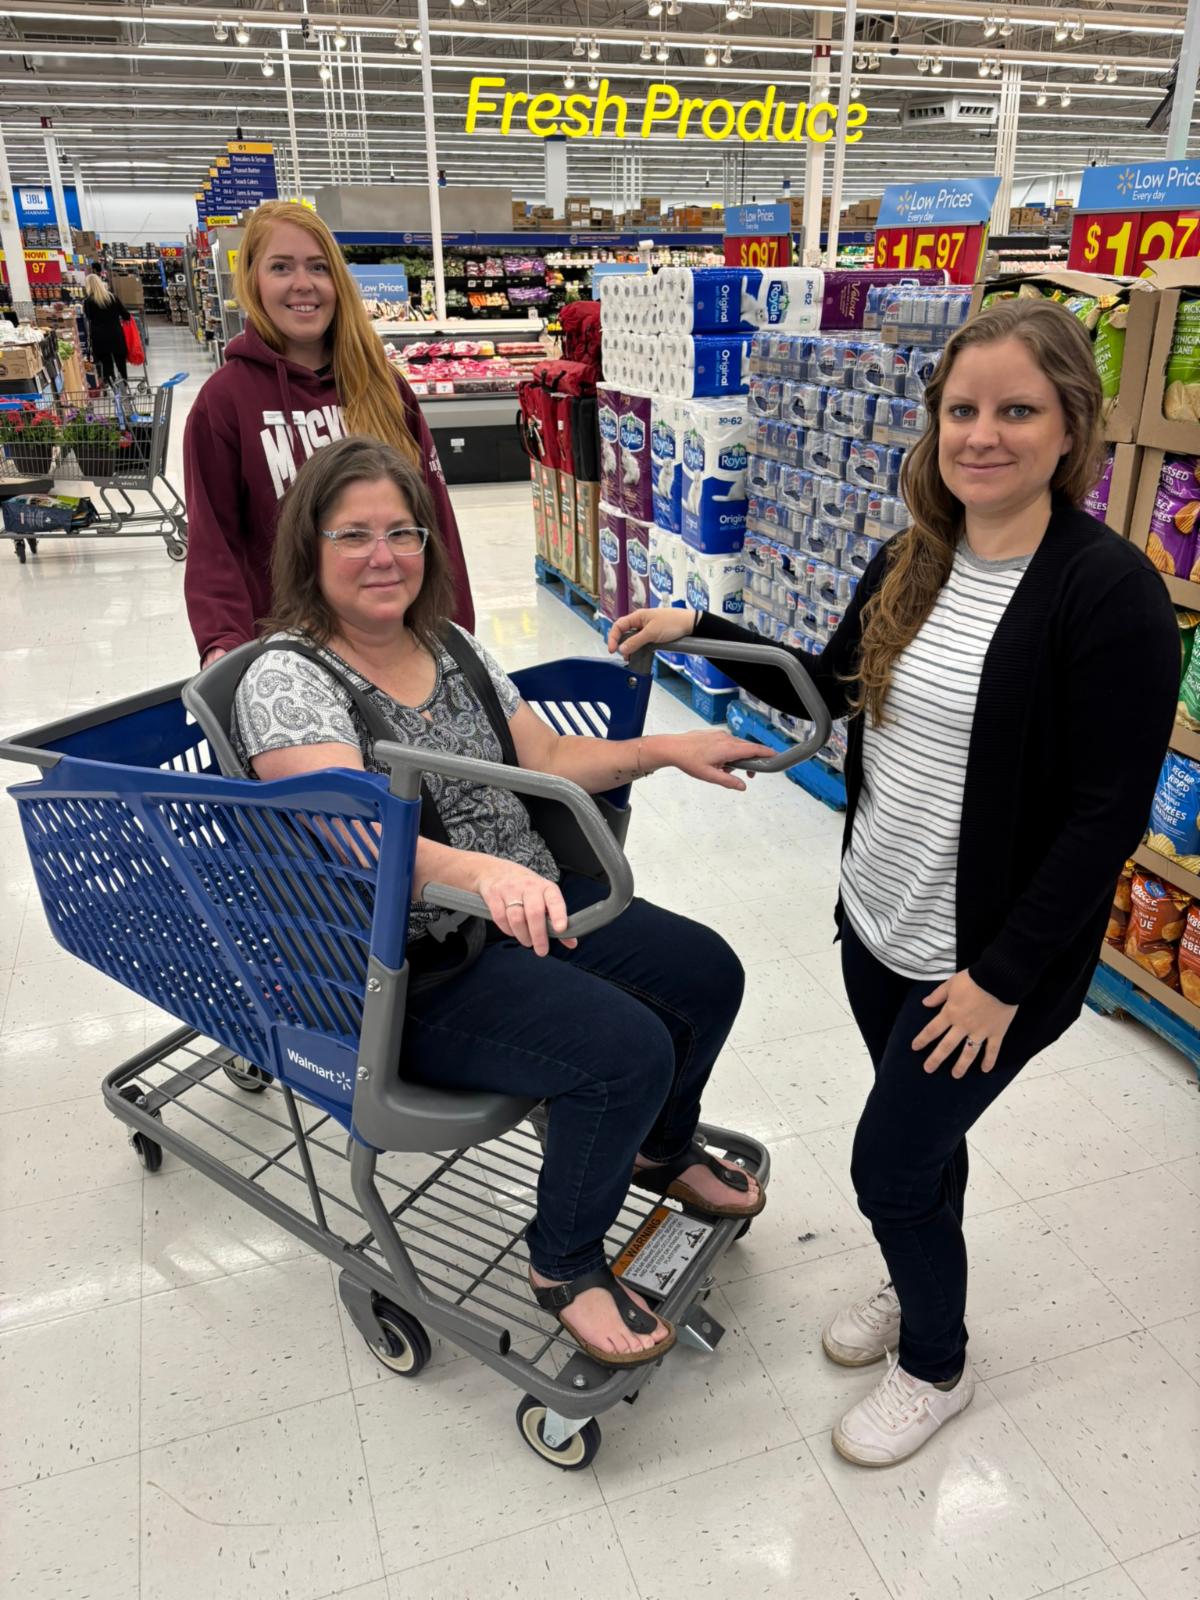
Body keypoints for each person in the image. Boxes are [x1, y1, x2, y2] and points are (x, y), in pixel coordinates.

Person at [610, 298, 1179, 1454]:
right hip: (879, 918)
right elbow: (834, 686)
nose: (984, 434)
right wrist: (700, 628)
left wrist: (1002, 978)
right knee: (926, 1149)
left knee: (889, 1158)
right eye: (962, 409)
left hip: (989, 963)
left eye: (1017, 410)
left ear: (1070, 424)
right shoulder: (914, 553)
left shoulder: (1107, 590)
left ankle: (938, 1359)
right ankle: (923, 1279)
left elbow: (1104, 814)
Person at [229, 433, 769, 1368]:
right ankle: (562, 1264)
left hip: (532, 911)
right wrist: (481, 874)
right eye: (353, 534)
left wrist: (665, 750)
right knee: (623, 1051)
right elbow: (354, 835)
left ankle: (659, 1149)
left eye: (404, 531)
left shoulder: (448, 642)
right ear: (307, 550)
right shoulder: (286, 681)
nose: (385, 555)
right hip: (412, 970)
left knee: (707, 974)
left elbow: (546, 758)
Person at [183, 199, 474, 670]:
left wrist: (457, 639)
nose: (303, 284)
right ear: (253, 280)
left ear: (337, 281)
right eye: (281, 267)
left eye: (318, 267)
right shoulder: (224, 401)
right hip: (290, 661)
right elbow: (214, 543)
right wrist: (223, 647)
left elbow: (434, 523)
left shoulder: (384, 386)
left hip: (397, 652)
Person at [82, 273, 130, 388]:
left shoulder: (88, 302)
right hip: (116, 335)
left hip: (100, 338)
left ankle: (113, 389)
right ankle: (125, 386)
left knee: (107, 366)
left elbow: (89, 318)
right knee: (121, 364)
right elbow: (126, 315)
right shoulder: (112, 297)